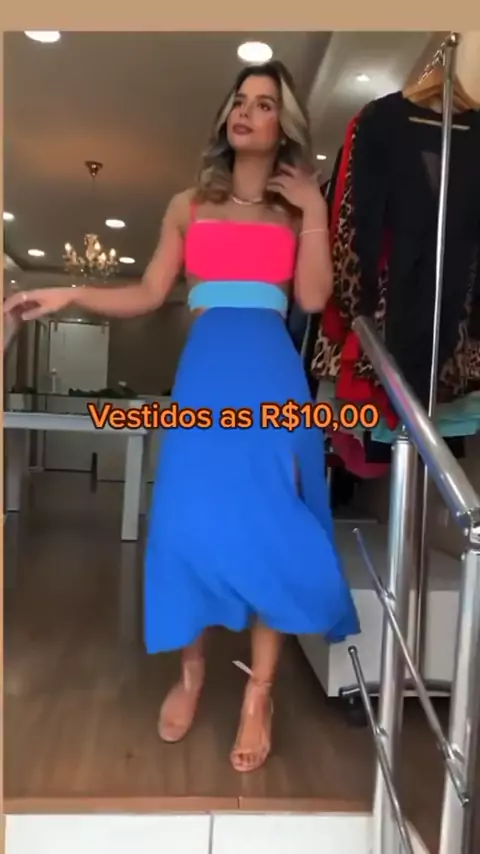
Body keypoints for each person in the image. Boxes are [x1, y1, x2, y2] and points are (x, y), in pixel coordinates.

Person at [4, 60, 360, 773]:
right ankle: (192, 673)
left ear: (283, 125)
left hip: (270, 381)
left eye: (264, 104)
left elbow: (314, 299)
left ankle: (259, 694)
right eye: (240, 100)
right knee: (184, 522)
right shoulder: (187, 205)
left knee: (271, 525)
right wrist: (69, 294)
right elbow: (146, 293)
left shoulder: (297, 210)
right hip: (204, 379)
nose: (246, 111)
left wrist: (316, 211)